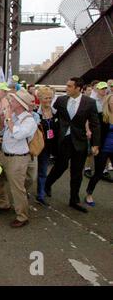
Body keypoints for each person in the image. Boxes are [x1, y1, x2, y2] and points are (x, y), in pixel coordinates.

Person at [45, 77, 100, 213]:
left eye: (69, 86)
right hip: (63, 140)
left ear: (78, 88)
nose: (66, 88)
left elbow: (95, 124)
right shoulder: (61, 100)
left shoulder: (89, 102)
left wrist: (96, 144)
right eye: (67, 85)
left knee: (77, 172)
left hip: (79, 141)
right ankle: (47, 184)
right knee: (60, 166)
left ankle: (74, 200)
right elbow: (51, 115)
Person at [0, 90, 37, 227]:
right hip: (5, 155)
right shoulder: (14, 116)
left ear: (21, 104)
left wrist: (8, 118)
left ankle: (22, 216)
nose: (10, 102)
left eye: (14, 100)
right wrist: (1, 119)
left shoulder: (29, 120)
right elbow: (2, 132)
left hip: (18, 159)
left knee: (17, 188)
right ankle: (3, 203)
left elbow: (17, 134)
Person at [85, 94, 113, 206]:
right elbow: (95, 132)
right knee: (98, 173)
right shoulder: (101, 116)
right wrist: (95, 146)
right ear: (108, 103)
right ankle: (89, 194)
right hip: (103, 149)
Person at [35, 87, 57, 206]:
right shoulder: (35, 113)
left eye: (50, 97)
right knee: (30, 171)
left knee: (43, 171)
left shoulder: (56, 112)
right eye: (46, 98)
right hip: (37, 146)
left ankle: (41, 195)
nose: (48, 100)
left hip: (50, 146)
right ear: (40, 98)